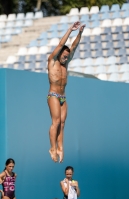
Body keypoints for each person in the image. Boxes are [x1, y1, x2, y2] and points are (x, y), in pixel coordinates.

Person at [47, 21, 85, 163]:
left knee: (62, 123)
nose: (66, 58)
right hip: (53, 95)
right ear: (59, 54)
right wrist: (70, 30)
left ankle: (60, 148)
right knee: (56, 122)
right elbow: (59, 45)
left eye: (67, 57)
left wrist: (80, 33)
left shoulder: (65, 64)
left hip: (63, 97)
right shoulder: (52, 61)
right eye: (64, 55)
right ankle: (52, 147)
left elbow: (74, 46)